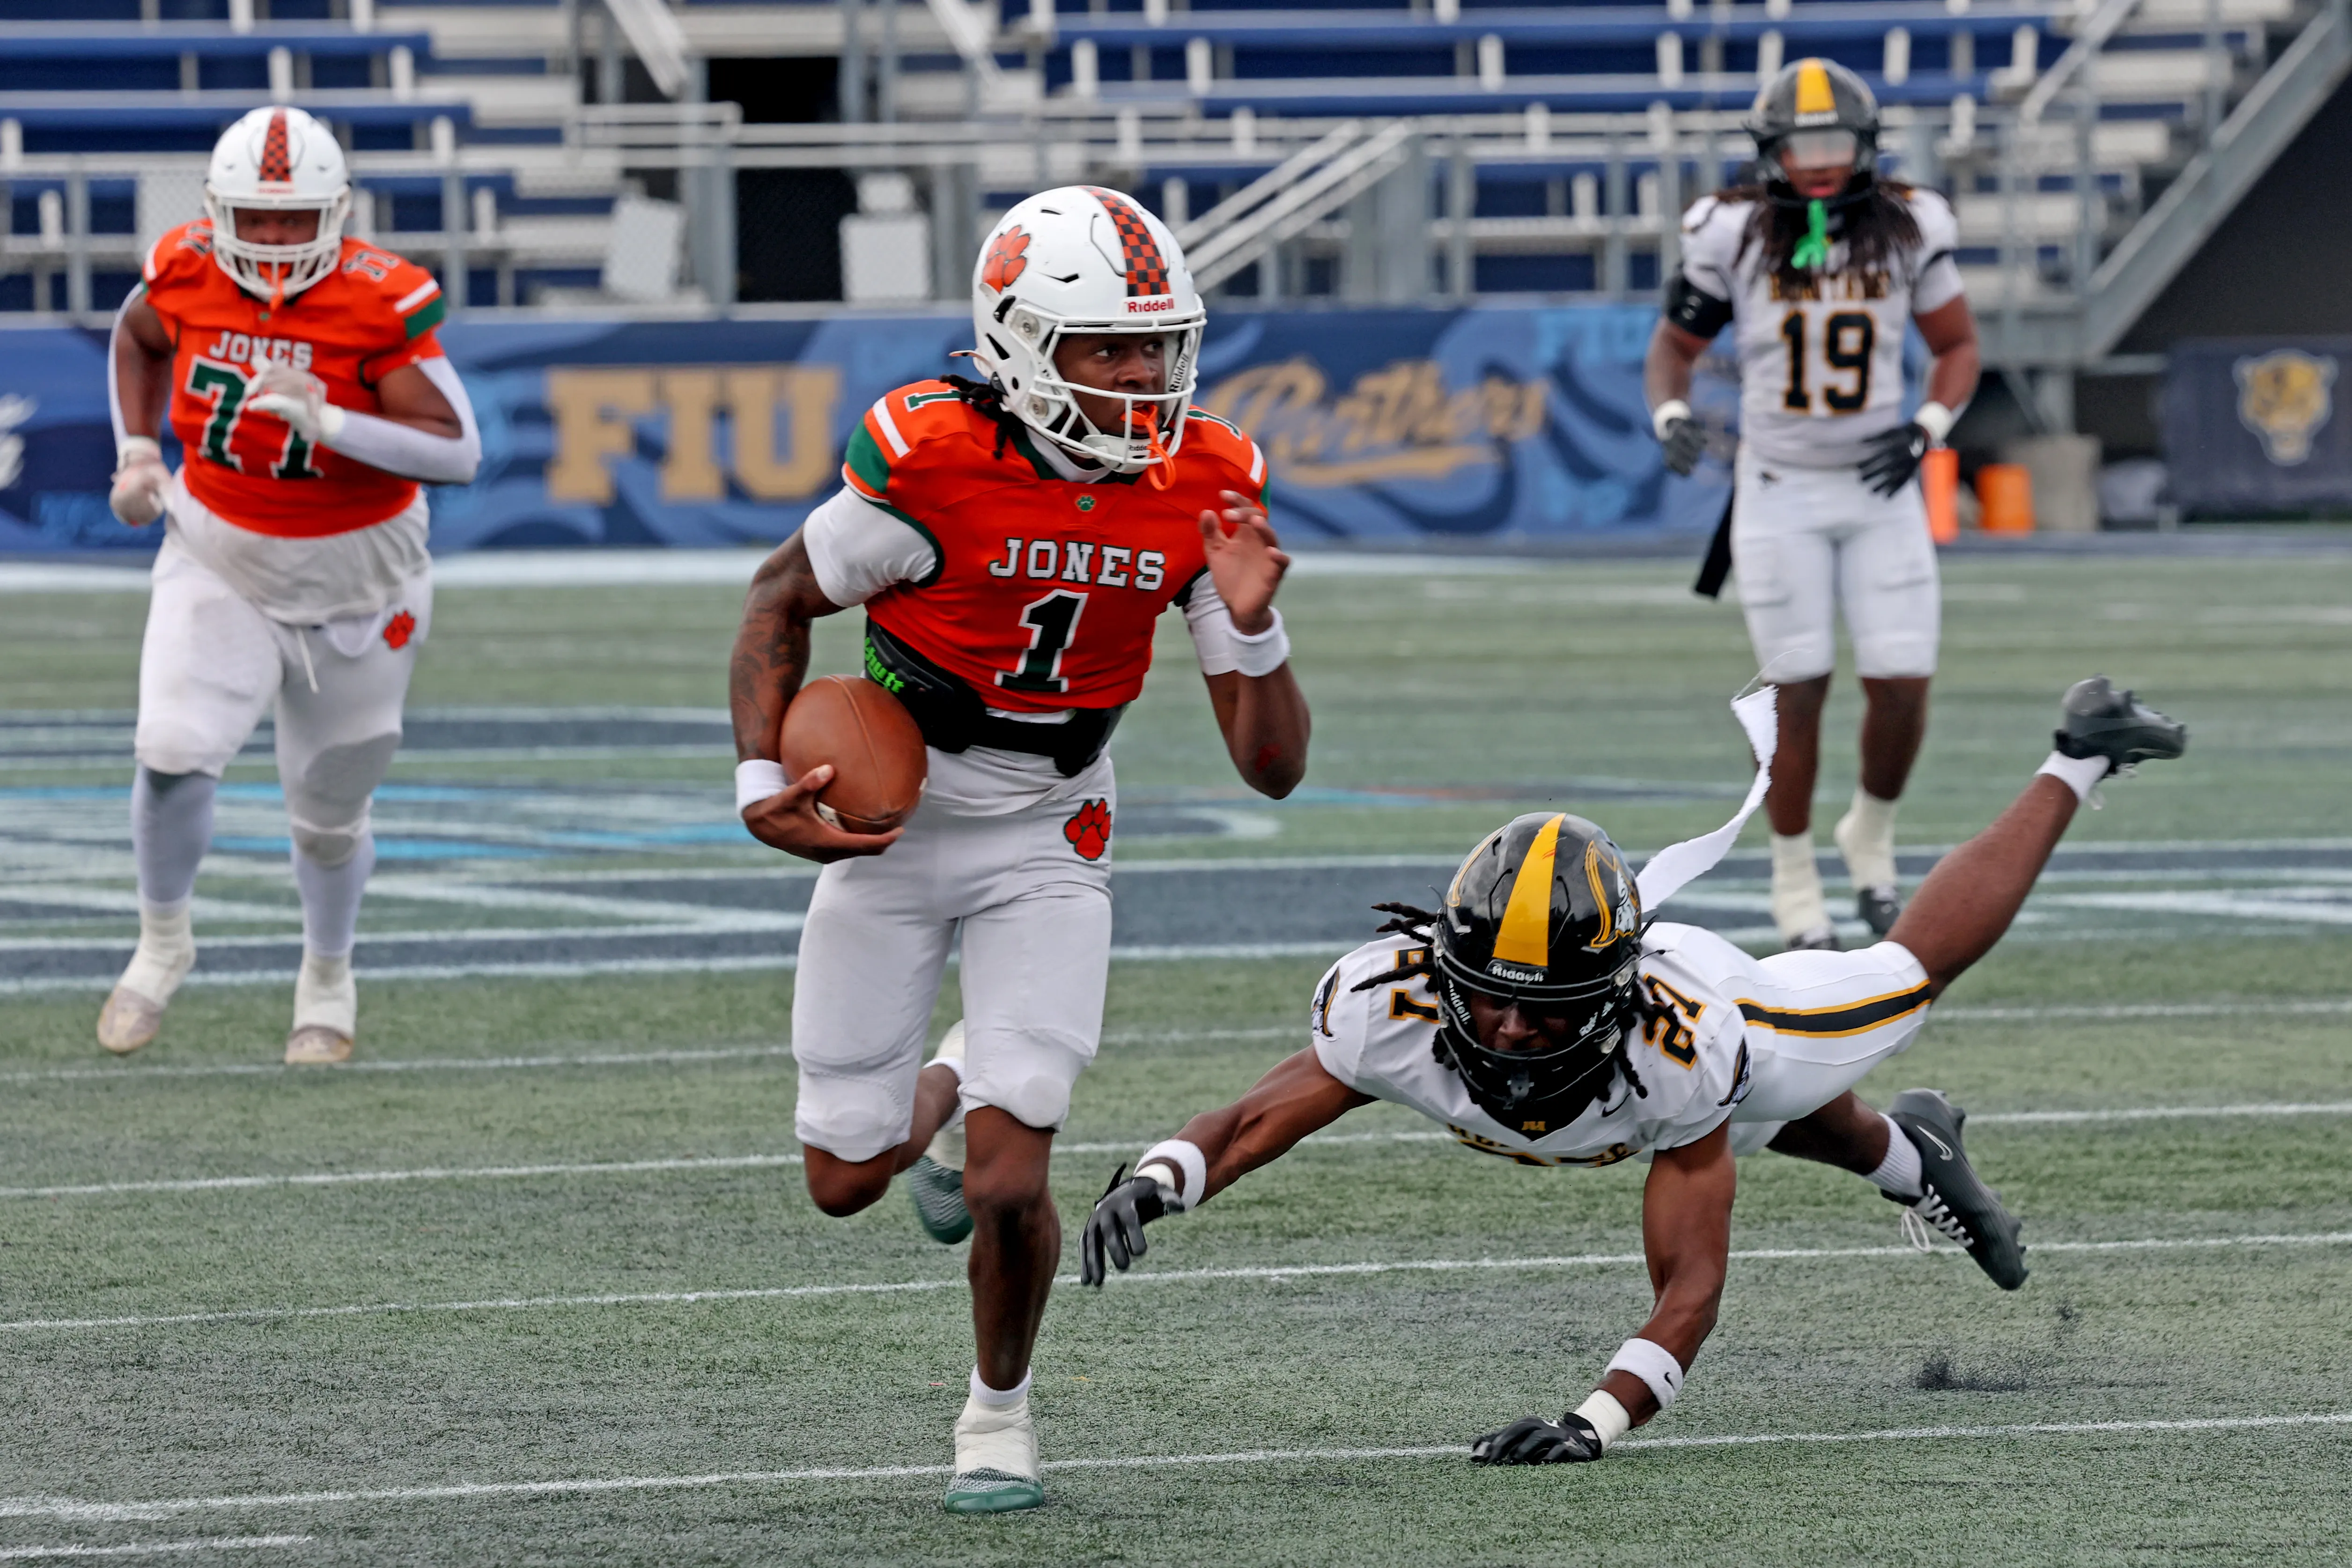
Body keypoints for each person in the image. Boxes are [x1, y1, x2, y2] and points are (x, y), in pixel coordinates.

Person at [1081, 677, 2183, 1465]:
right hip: (1662, 1080)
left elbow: (1692, 1286)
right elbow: (1255, 1120)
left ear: (1606, 1001)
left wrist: (1596, 1417)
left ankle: (2077, 754)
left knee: (1897, 980)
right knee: (1749, 1121)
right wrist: (1156, 1179)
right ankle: (1915, 1156)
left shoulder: (1678, 1048)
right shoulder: (1387, 1006)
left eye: (1544, 1010)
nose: (1508, 1031)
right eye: (1489, 996)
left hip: (1748, 1026)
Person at [728, 184, 1310, 1514]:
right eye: (1108, 347)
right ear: (1018, 343)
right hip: (895, 818)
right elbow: (778, 596)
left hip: (1051, 825)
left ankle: (996, 1413)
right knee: (842, 1178)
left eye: (1158, 346)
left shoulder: (1205, 483)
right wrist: (761, 778)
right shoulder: (928, 460)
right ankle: (946, 1078)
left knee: (1008, 1181)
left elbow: (1270, 768)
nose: (1141, 376)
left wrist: (1254, 626)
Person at [100, 105, 481, 1065]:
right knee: (172, 747)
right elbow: (138, 337)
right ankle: (161, 945)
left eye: (295, 220)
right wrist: (140, 452)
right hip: (219, 545)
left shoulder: (380, 298)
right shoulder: (184, 264)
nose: (274, 240)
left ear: (337, 213)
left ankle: (327, 974)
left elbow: (460, 452)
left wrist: (338, 428)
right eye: (258, 220)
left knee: (327, 810)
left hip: (361, 572)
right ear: (221, 210)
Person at [1647, 58, 1982, 951]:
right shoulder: (1732, 233)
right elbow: (1671, 349)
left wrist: (1927, 426)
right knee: (1798, 694)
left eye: (1835, 141)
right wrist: (1671, 412)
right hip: (1779, 490)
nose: (1820, 163)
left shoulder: (1910, 227)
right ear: (1771, 154)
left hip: (1879, 489)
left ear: (1866, 146)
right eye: (1802, 145)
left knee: (1903, 682)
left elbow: (1955, 347)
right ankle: (1793, 878)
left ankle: (1868, 832)